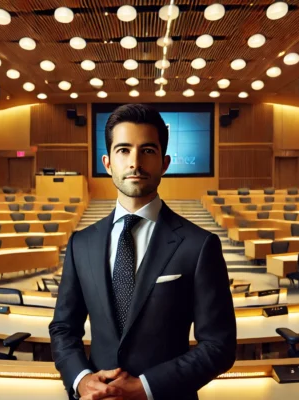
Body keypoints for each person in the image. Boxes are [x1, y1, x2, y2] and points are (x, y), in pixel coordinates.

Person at [50, 104, 236, 400]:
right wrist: (83, 380)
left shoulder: (200, 244)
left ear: (164, 163)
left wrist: (145, 388)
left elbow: (219, 345)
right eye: (123, 150)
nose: (135, 162)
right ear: (107, 162)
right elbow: (63, 328)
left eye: (147, 150)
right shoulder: (80, 243)